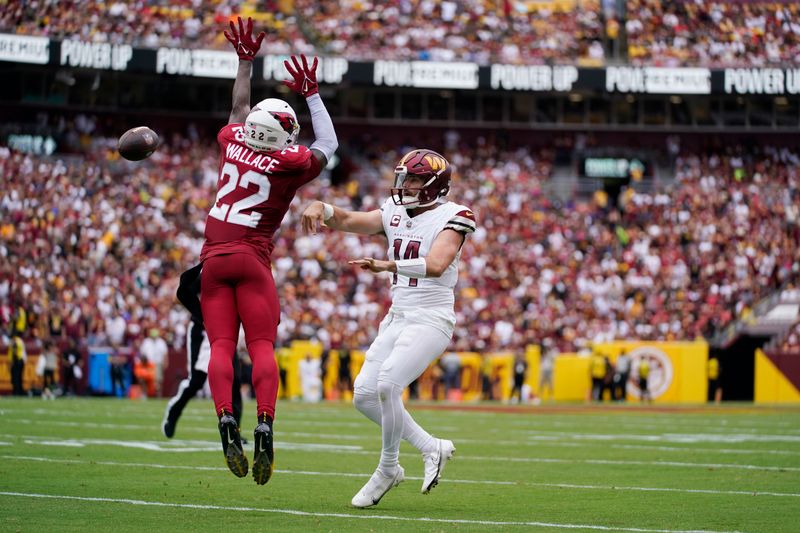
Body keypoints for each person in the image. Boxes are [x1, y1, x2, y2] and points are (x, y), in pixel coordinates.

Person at [199, 17, 337, 486]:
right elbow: (328, 144)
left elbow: (238, 111)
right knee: (259, 346)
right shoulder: (288, 162)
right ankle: (263, 422)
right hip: (252, 260)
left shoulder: (232, 141)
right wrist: (313, 95)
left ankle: (223, 417)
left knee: (220, 345)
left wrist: (244, 62)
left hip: (213, 261)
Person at [301, 148, 476, 508]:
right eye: (405, 177)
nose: (406, 185)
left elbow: (437, 264)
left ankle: (388, 468)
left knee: (387, 384)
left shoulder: (455, 216)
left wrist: (387, 265)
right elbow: (351, 220)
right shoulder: (395, 210)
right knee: (364, 395)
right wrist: (324, 207)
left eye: (413, 179)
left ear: (433, 184)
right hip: (398, 315)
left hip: (431, 316)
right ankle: (432, 447)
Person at [162, 263, 244, 440]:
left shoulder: (239, 273)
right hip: (202, 331)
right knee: (196, 381)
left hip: (226, 332)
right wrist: (202, 314)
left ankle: (234, 431)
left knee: (234, 380)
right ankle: (173, 412)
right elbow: (181, 294)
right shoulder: (209, 273)